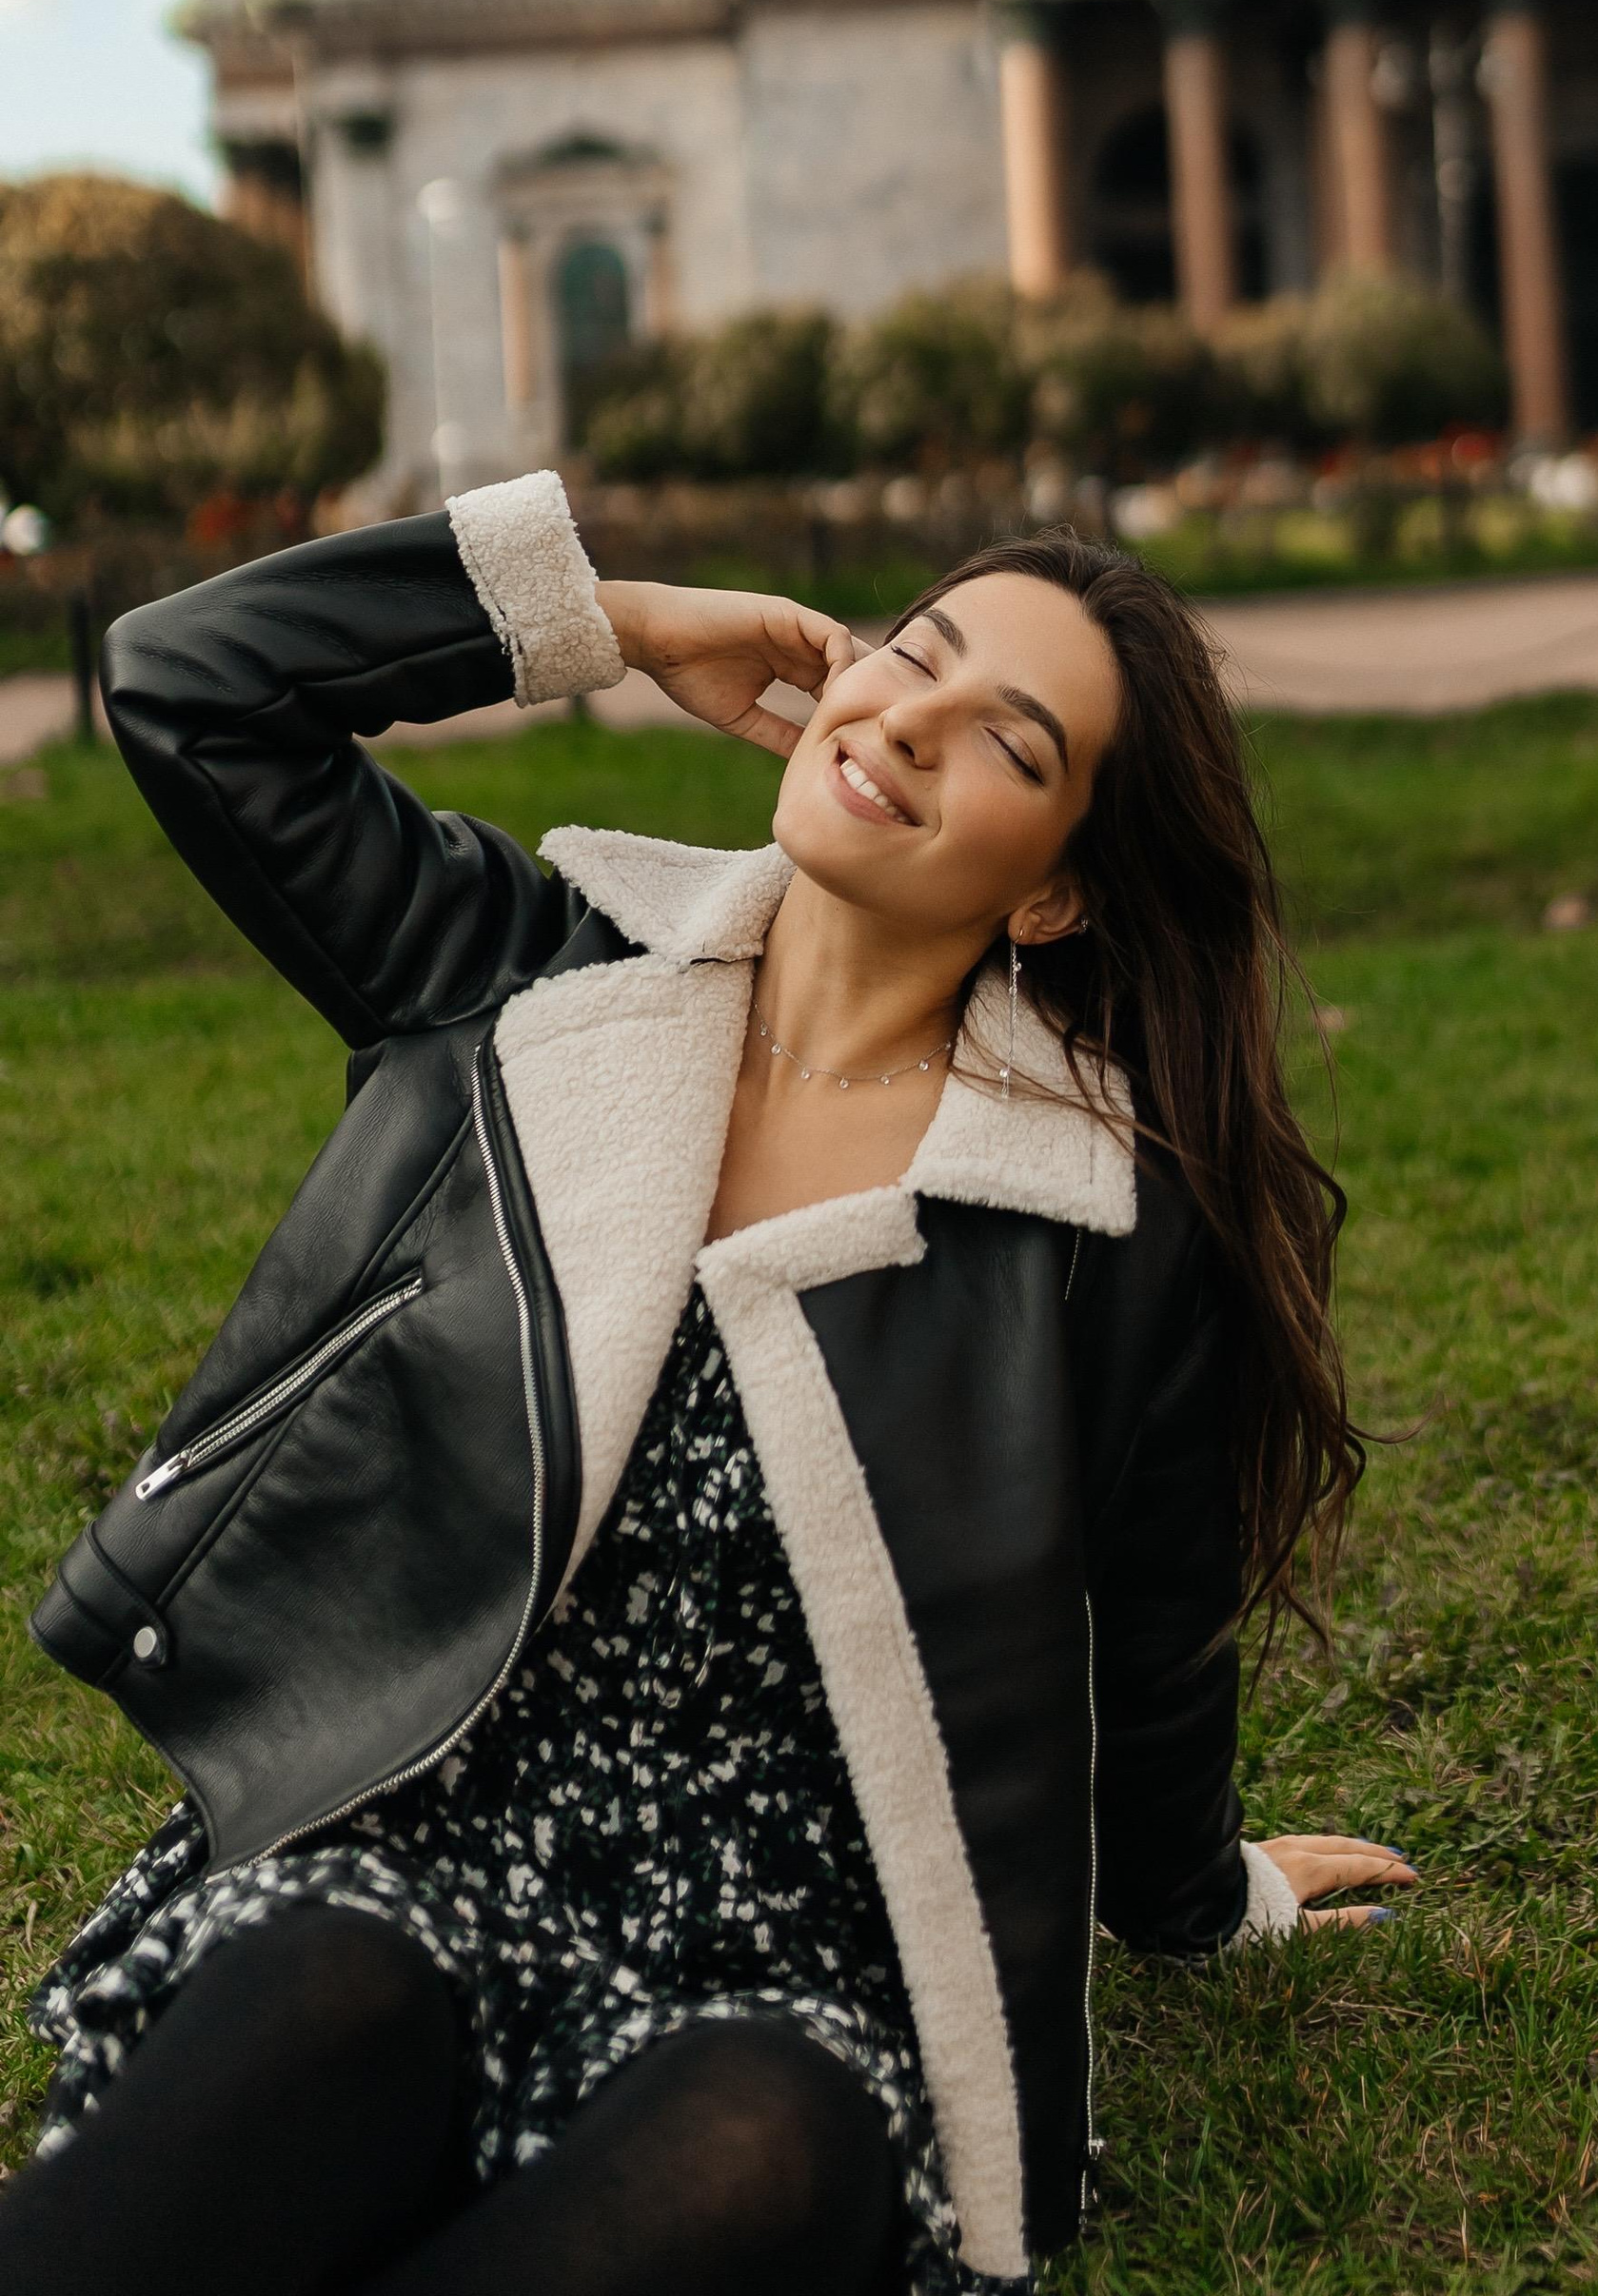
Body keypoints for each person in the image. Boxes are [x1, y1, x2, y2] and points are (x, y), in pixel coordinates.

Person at [4, 473, 1409, 2294]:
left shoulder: (1093, 1216)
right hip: (425, 1823)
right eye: (915, 651)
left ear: (1054, 890)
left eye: (1008, 738)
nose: (904, 716)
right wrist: (612, 616)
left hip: (801, 1932)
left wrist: (1213, 1899)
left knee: (762, 2142)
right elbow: (190, 685)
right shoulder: (520, 980)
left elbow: (1145, 1641)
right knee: (324, 1997)